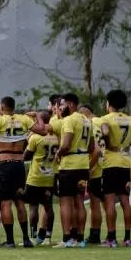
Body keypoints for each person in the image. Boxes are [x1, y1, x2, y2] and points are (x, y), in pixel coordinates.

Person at [0, 96, 48, 248]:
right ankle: (25, 239)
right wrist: (37, 115)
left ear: (2, 108)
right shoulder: (24, 119)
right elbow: (43, 131)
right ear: (14, 107)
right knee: (20, 202)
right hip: (19, 165)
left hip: (4, 165)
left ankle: (10, 240)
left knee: (5, 203)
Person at [95, 90, 131, 247]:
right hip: (125, 162)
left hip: (111, 162)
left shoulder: (105, 118)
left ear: (109, 103)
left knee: (109, 201)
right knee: (125, 201)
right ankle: (127, 238)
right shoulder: (130, 119)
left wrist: (108, 144)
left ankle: (111, 238)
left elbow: (105, 130)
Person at [54, 93, 97, 248]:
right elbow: (92, 147)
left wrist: (58, 155)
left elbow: (65, 144)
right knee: (79, 201)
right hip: (83, 164)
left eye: (63, 104)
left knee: (65, 202)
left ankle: (67, 239)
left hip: (69, 165)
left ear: (71, 105)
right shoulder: (87, 120)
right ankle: (80, 238)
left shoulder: (69, 120)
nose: (61, 107)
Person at [24, 110, 59, 246]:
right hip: (49, 177)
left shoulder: (35, 138)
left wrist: (28, 141)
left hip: (35, 177)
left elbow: (26, 156)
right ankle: (48, 237)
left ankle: (33, 237)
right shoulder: (56, 137)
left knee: (33, 207)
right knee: (48, 207)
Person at [79, 103, 104, 245]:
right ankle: (97, 234)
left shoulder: (89, 126)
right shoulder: (99, 123)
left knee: (95, 204)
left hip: (96, 168)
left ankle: (95, 235)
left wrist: (88, 168)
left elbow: (96, 151)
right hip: (104, 165)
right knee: (100, 204)